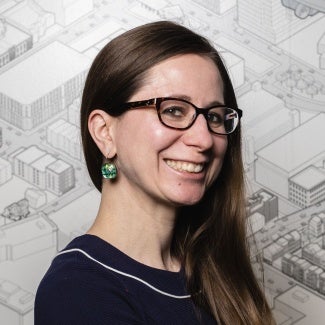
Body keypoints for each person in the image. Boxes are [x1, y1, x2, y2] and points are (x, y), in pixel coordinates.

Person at [35, 21, 275, 324]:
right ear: (105, 132)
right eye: (174, 110)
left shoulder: (214, 275)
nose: (203, 139)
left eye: (214, 116)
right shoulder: (78, 291)